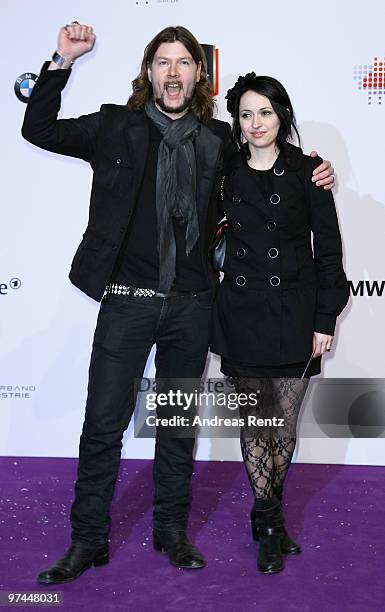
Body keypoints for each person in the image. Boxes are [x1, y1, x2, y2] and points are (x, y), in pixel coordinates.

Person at [21, 23, 334, 583]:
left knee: (176, 426)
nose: (172, 72)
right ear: (148, 72)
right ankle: (88, 539)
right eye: (162, 62)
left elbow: (270, 170)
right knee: (102, 424)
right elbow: (38, 128)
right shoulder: (115, 126)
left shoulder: (219, 141)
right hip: (127, 301)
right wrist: (61, 61)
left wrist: (315, 169)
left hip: (192, 307)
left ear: (198, 75)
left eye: (183, 63)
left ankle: (171, 531)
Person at [210, 72, 349, 574]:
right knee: (256, 423)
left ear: (282, 115)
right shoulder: (223, 171)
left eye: (265, 112)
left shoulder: (309, 172)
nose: (256, 123)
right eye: (246, 114)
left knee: (283, 427)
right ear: (237, 121)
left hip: (294, 315)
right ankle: (269, 524)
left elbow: (328, 254)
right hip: (243, 315)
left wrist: (325, 318)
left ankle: (265, 511)